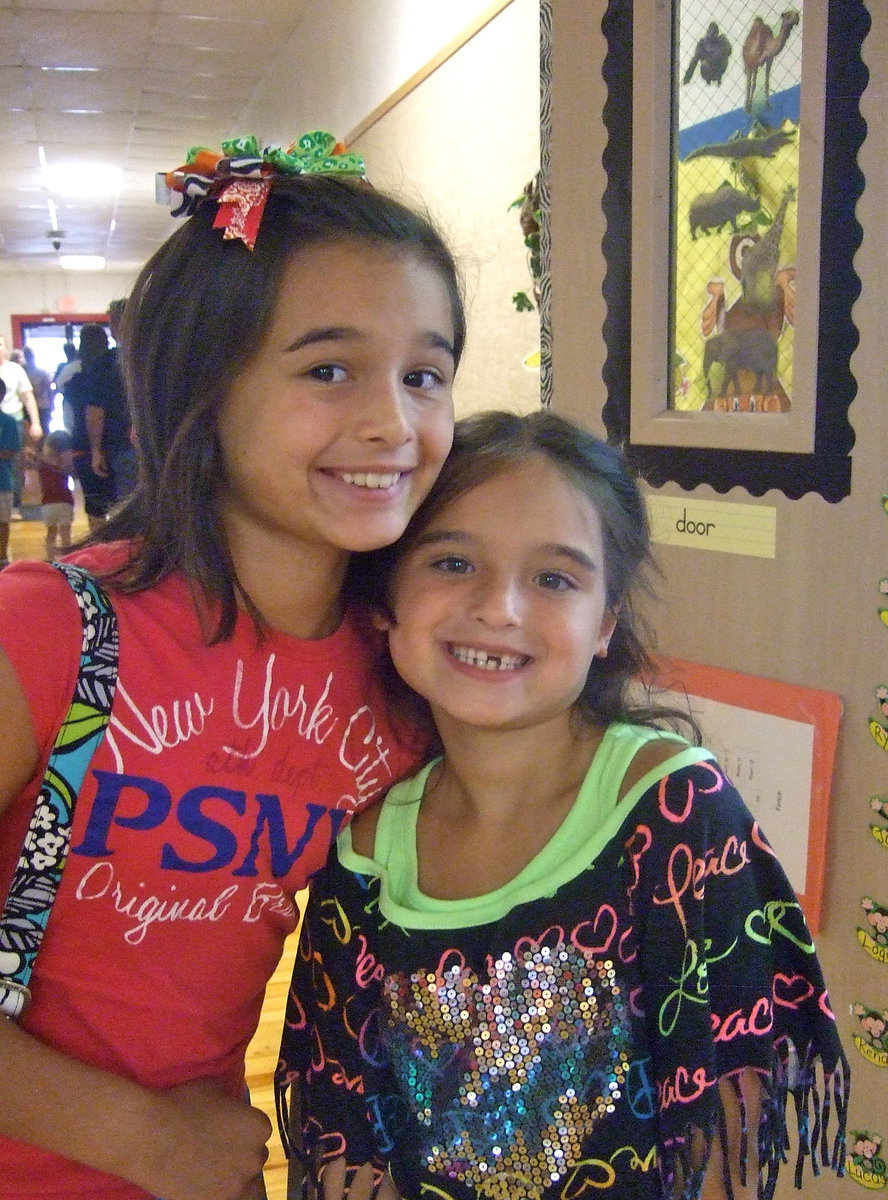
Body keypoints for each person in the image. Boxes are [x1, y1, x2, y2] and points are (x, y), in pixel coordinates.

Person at [0, 136, 466, 1200]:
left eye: (425, 374)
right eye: (329, 369)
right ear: (206, 388)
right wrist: (145, 1139)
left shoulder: (402, 671)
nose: (393, 423)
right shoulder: (53, 631)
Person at [277, 410, 850, 1200]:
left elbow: (724, 1122)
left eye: (554, 578)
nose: (501, 608)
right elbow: (344, 1135)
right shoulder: (366, 855)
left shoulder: (675, 812)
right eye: (451, 562)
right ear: (385, 601)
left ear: (605, 621)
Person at [61, 322, 117, 530]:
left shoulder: (71, 374)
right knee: (119, 499)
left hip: (81, 442)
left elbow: (68, 415)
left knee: (94, 504)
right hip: (115, 441)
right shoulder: (114, 369)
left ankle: (100, 549)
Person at [86, 298, 139, 502]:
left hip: (122, 444)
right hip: (157, 443)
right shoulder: (157, 356)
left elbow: (95, 412)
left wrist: (96, 451)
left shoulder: (106, 364)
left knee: (129, 504)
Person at [0, 335, 41, 513]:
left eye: (1, 343)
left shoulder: (15, 370)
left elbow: (27, 397)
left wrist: (35, 423)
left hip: (13, 421)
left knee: (15, 465)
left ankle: (14, 503)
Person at [35, 429, 75, 560]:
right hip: (65, 501)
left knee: (50, 534)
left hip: (48, 502)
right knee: (66, 534)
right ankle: (67, 559)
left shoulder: (42, 462)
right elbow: (72, 473)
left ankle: (50, 559)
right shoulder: (65, 464)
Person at [0, 381, 21, 569]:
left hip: (2, 480)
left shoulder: (7, 422)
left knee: (2, 520)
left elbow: (10, 450)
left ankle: (2, 556)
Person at [22, 345, 54, 436]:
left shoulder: (40, 372)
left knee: (44, 430)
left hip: (41, 405)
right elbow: (49, 390)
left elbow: (48, 389)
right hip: (37, 405)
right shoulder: (23, 372)